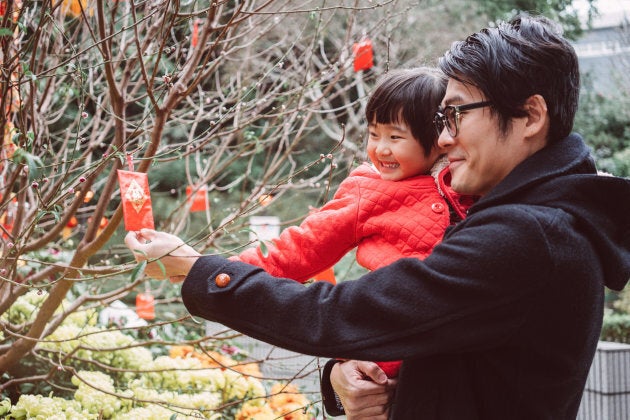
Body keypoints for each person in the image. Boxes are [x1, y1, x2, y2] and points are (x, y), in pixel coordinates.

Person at [125, 14, 630, 419]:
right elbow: (438, 349)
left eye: (457, 114)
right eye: (440, 119)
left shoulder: (528, 235)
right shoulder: (526, 217)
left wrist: (199, 270)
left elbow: (344, 313)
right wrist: (342, 377)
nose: (445, 137)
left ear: (530, 116)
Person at [229, 67, 474, 378]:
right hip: (386, 341)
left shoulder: (466, 182)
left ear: (439, 138)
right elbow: (305, 245)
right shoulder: (366, 190)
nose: (381, 148)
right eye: (374, 134)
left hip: (454, 350)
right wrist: (229, 272)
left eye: (395, 137)